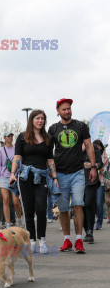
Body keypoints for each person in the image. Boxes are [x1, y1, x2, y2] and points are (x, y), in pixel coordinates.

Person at [48, 98, 97, 254]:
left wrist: (94, 166)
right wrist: (51, 172)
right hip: (60, 173)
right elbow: (48, 151)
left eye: (69, 108)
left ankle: (79, 240)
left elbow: (89, 146)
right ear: (58, 111)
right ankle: (67, 239)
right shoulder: (53, 129)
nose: (67, 111)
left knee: (77, 204)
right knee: (63, 208)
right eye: (63, 109)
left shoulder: (81, 126)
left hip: (77, 172)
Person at [9, 110, 57, 253]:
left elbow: (50, 159)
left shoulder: (48, 138)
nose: (40, 121)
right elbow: (17, 156)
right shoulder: (22, 137)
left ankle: (42, 239)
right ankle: (31, 240)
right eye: (37, 118)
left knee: (42, 208)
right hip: (25, 177)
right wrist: (12, 174)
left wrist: (54, 178)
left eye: (42, 118)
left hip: (42, 176)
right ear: (32, 120)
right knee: (28, 210)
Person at [0, 132, 23, 228]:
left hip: (14, 176)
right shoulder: (0, 150)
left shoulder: (16, 149)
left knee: (15, 201)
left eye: (11, 136)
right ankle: (7, 223)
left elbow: (20, 163)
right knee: (5, 200)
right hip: (3, 176)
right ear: (4, 138)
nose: (10, 138)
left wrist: (20, 174)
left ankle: (19, 218)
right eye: (8, 136)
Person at [82, 142, 103, 243]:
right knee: (80, 206)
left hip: (91, 180)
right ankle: (86, 231)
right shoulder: (74, 147)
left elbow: (100, 163)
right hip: (77, 181)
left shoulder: (93, 147)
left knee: (89, 203)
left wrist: (93, 165)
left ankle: (90, 232)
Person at [93, 140, 109, 229]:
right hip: (91, 181)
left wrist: (98, 170)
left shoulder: (104, 155)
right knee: (92, 202)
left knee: (99, 203)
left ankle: (99, 222)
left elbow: (105, 169)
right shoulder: (90, 154)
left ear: (100, 146)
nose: (96, 148)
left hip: (101, 182)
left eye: (97, 146)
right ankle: (93, 220)